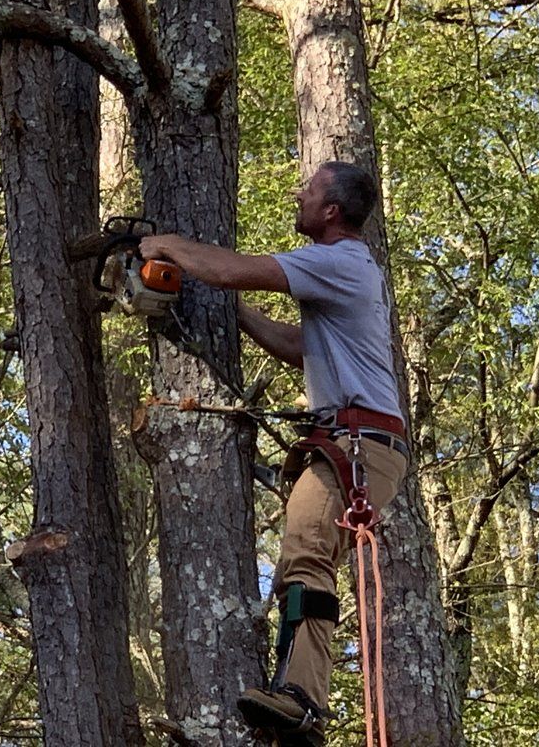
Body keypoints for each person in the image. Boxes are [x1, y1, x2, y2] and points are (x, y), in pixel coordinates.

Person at [138, 161, 409, 746]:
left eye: (308, 190)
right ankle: (294, 704)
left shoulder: (338, 261)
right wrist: (236, 312)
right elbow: (296, 343)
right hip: (359, 442)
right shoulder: (346, 274)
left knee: (307, 550)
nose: (298, 195)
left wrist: (167, 245)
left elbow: (233, 269)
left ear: (331, 211)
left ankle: (302, 699)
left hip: (359, 444)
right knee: (297, 566)